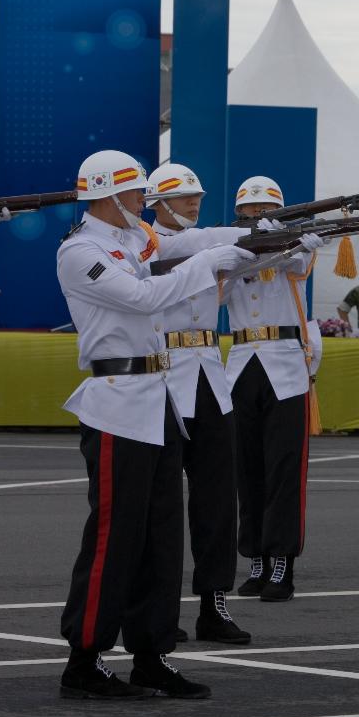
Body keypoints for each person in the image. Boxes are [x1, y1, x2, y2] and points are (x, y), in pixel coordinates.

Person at [56, 150, 256, 699]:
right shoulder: (81, 251)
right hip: (117, 401)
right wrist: (211, 262)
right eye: (138, 193)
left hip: (156, 398)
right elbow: (144, 297)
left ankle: (151, 652)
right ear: (109, 194)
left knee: (162, 537)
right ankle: (86, 657)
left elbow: (186, 242)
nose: (146, 202)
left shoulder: (129, 239)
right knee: (115, 536)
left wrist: (258, 235)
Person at [146, 164, 250, 645]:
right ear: (158, 203)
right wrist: (241, 235)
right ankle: (158, 608)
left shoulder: (207, 243)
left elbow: (251, 259)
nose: (194, 203)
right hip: (163, 377)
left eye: (198, 196)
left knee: (216, 498)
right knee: (161, 504)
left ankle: (214, 603)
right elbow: (185, 249)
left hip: (209, 373)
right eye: (185, 197)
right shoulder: (142, 242)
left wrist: (291, 240)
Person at [225, 177, 327, 602]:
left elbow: (297, 264)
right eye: (250, 211)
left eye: (267, 209)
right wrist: (248, 239)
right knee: (247, 470)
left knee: (285, 470)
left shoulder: (297, 245)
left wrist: (284, 236)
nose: (258, 216)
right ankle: (255, 558)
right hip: (242, 362)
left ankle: (282, 561)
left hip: (285, 362)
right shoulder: (228, 246)